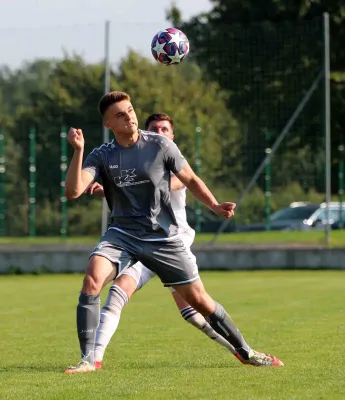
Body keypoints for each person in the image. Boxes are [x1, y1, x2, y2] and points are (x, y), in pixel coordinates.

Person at [64, 91, 283, 374]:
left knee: (200, 302)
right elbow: (73, 191)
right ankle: (87, 360)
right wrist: (78, 150)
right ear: (108, 124)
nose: (129, 116)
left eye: (130, 110)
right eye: (120, 114)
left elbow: (190, 179)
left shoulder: (159, 146)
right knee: (93, 277)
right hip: (122, 235)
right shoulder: (102, 155)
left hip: (162, 239)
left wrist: (215, 205)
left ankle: (246, 352)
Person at [85, 113, 239, 369]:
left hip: (171, 244)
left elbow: (166, 184)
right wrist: (109, 189)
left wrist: (115, 185)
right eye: (154, 128)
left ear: (172, 135)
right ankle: (95, 359)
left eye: (164, 128)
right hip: (139, 242)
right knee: (117, 292)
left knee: (194, 310)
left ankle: (239, 349)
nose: (159, 132)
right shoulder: (136, 164)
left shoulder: (173, 164)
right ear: (145, 134)